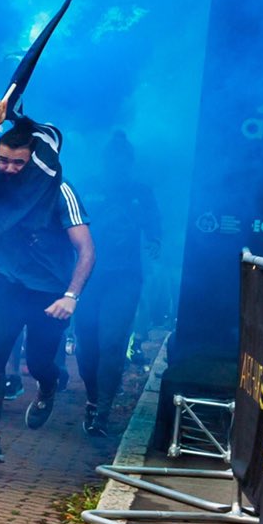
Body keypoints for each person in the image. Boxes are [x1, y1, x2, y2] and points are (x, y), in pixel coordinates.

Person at [0, 104, 95, 466]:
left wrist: (71, 296)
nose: (10, 169)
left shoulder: (60, 191)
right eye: (4, 161)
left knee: (39, 361)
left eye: (19, 163)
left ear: (33, 160)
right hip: (6, 282)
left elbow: (87, 251)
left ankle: (48, 386)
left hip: (51, 293)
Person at [74, 131, 158, 437]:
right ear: (104, 161)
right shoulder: (88, 187)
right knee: (86, 347)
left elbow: (154, 230)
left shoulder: (141, 192)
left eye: (123, 160)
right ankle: (93, 397)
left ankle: (103, 411)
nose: (117, 165)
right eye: (112, 159)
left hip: (125, 277)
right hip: (88, 276)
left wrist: (154, 243)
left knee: (111, 341)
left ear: (130, 162)